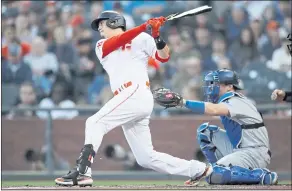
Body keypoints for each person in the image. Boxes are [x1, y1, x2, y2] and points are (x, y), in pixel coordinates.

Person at [55, 11, 211, 187]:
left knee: (94, 122)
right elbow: (119, 41)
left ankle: (83, 172)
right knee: (145, 158)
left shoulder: (143, 38)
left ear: (115, 22)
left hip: (136, 92)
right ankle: (198, 169)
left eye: (102, 23)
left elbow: (164, 56)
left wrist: (157, 35)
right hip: (128, 97)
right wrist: (144, 27)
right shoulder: (101, 45)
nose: (99, 27)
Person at [162, 69, 278, 185]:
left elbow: (213, 110)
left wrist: (183, 102)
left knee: (213, 175)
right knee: (205, 132)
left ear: (229, 86)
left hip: (254, 152)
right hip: (240, 148)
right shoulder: (228, 100)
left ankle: (262, 176)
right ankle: (219, 169)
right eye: (211, 84)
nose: (211, 87)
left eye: (217, 84)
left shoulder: (236, 99)